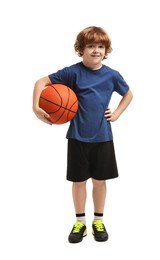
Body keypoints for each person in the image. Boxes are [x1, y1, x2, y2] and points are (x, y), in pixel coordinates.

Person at [32, 26, 133, 243]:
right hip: (77, 137)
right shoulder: (72, 72)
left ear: (106, 50)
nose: (96, 50)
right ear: (81, 49)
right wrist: (35, 107)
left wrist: (116, 113)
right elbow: (41, 82)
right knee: (78, 182)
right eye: (91, 46)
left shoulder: (112, 75)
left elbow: (129, 94)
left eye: (100, 46)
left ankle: (98, 220)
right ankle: (80, 223)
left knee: (99, 181)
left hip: (103, 137)